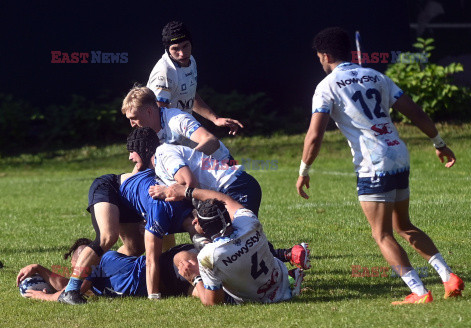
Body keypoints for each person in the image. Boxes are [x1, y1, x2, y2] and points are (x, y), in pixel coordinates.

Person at [296, 27, 464, 305]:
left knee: (382, 233)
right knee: (404, 225)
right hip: (399, 155)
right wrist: (438, 142)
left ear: (324, 55)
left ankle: (419, 292)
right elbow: (416, 111)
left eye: (319, 57)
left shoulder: (326, 87)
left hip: (374, 164)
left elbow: (315, 136)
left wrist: (303, 171)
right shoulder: (376, 76)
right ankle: (448, 277)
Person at [131, 126, 310, 271]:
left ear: (144, 149)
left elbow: (188, 182)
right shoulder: (159, 163)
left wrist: (168, 191)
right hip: (231, 188)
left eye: (132, 151)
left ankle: (285, 274)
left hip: (235, 187)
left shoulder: (163, 153)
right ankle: (290, 255)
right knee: (235, 240)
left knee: (238, 243)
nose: (130, 156)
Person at [57, 128, 195, 305]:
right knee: (107, 237)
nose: (129, 157)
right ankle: (71, 290)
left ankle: (95, 275)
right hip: (111, 188)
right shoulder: (152, 160)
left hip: (128, 200)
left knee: (135, 248)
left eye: (132, 152)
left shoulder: (165, 159)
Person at [163, 184, 306, 305]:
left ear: (205, 228)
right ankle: (290, 277)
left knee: (181, 258)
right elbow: (225, 199)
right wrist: (186, 191)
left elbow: (213, 303)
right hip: (280, 282)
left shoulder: (209, 255)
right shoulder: (249, 221)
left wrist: (195, 277)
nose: (194, 222)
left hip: (256, 299)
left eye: (197, 220)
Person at [16, 238, 201, 301]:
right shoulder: (95, 281)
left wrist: (45, 297)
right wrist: (39, 269)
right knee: (211, 294)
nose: (75, 275)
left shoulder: (102, 260)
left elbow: (71, 290)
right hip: (172, 286)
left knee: (210, 277)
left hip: (174, 264)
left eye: (76, 269)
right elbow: (67, 285)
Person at [147, 21, 243, 135]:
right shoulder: (164, 71)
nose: (182, 53)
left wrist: (215, 119)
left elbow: (189, 95)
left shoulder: (191, 60)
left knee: (218, 150)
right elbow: (157, 114)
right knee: (213, 144)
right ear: (168, 50)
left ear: (191, 43)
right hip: (166, 137)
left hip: (183, 132)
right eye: (175, 49)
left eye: (185, 46)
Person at [122, 86, 232, 163]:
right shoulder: (147, 132)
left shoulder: (176, 119)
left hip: (225, 168)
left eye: (134, 118)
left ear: (149, 112)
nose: (132, 124)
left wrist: (183, 163)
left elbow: (212, 141)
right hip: (200, 176)